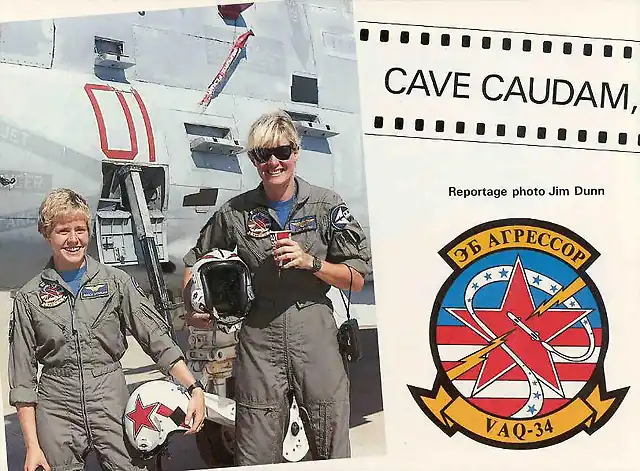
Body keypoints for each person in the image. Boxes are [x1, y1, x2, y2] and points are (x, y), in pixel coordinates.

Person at [182, 109, 373, 465]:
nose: (273, 162)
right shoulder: (235, 213)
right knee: (255, 451)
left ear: (296, 153)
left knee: (331, 447)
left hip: (315, 335)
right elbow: (195, 261)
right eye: (262, 155)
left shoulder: (326, 205)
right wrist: (194, 308)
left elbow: (356, 278)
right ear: (255, 161)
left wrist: (311, 263)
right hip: (259, 339)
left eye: (281, 152)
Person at [8, 188, 206, 471]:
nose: (73, 239)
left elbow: (155, 337)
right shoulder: (29, 298)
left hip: (109, 397)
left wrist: (193, 387)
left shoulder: (116, 283)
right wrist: (33, 447)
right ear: (46, 233)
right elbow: (23, 380)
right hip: (56, 406)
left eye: (80, 229)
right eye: (63, 231)